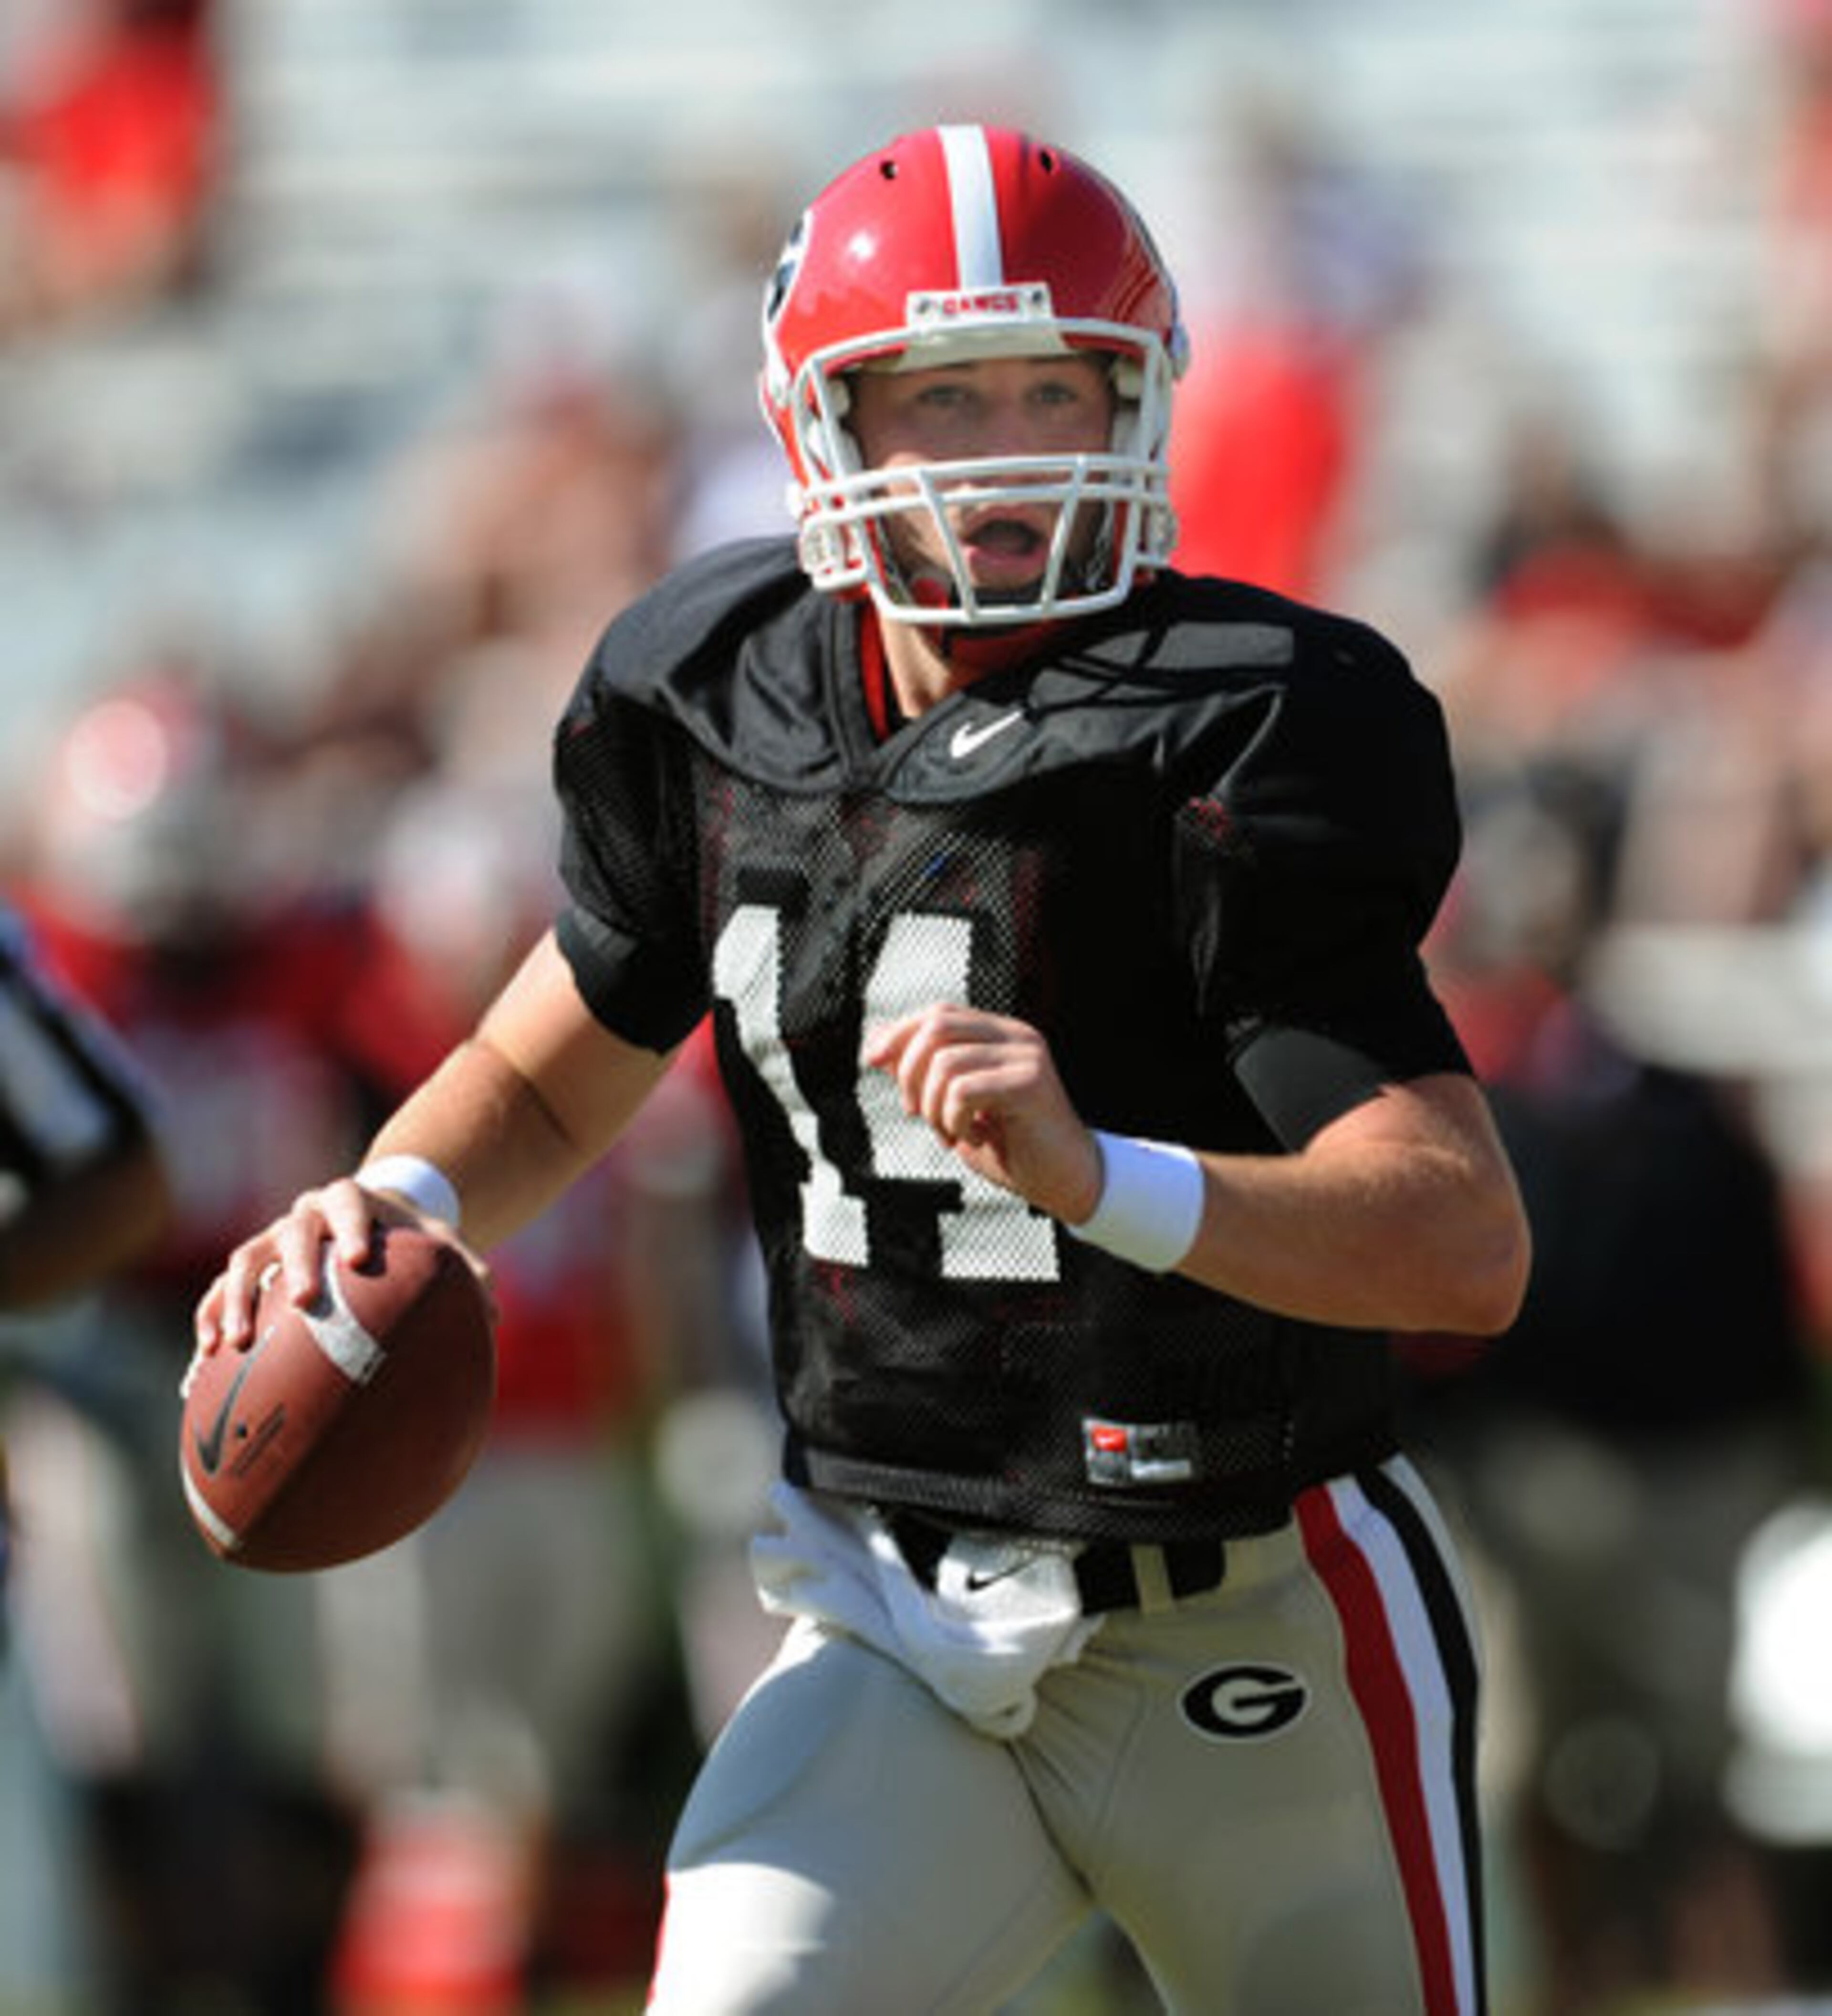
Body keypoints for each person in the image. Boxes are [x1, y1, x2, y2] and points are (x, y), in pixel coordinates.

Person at [194, 124, 1530, 2014]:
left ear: (1139, 400)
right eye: (945, 397)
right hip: (890, 1617)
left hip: (1255, 1609)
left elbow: (1460, 1244)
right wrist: (394, 1199)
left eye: (1054, 388)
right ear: (823, 427)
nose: (1004, 448)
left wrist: (1103, 1177)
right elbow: (556, 1064)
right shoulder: (709, 692)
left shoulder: (1241, 725)